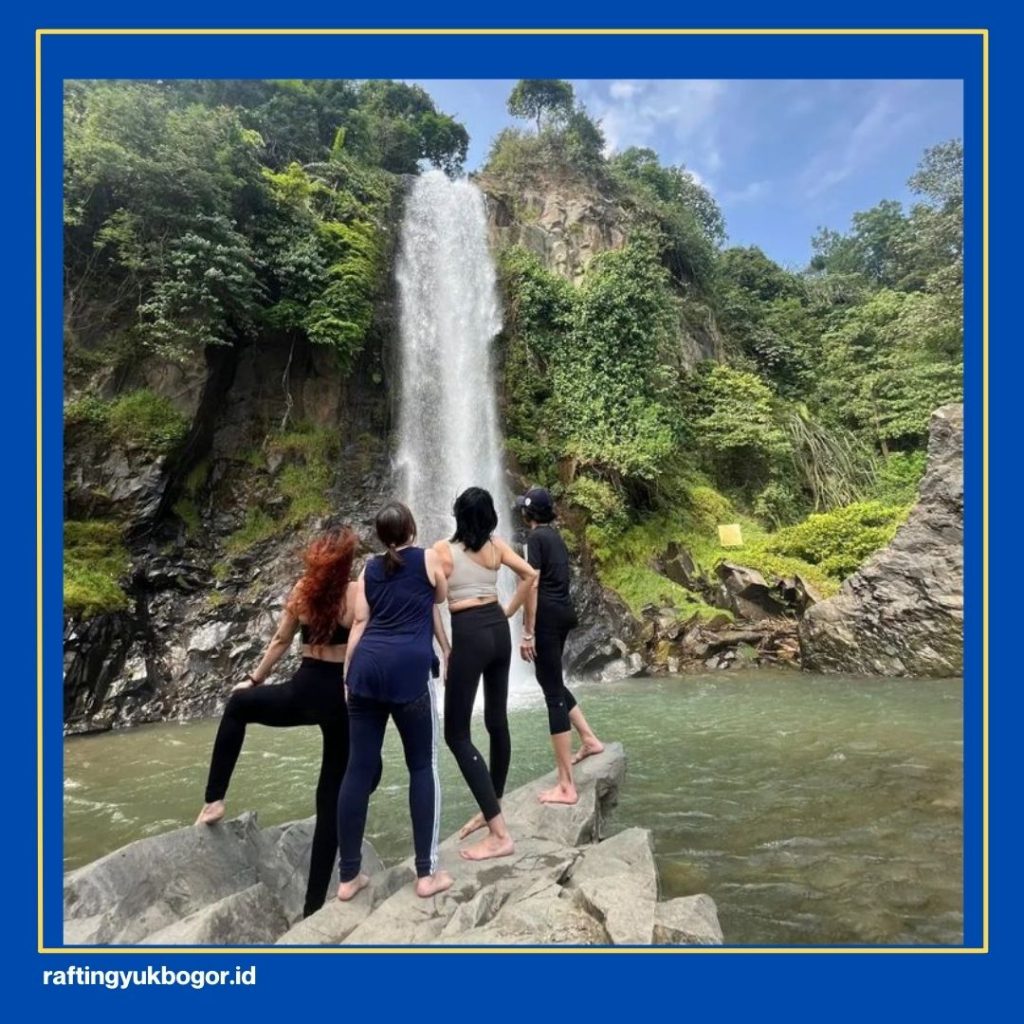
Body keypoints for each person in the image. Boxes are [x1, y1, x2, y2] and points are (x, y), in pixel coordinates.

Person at [195, 525, 359, 918]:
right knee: (330, 802)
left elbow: (280, 642)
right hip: (341, 700)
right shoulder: (356, 593)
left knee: (238, 706)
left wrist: (253, 681)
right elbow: (365, 643)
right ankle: (313, 907)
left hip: (302, 693)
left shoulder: (302, 590)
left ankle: (214, 800)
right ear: (347, 559)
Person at [336, 501, 452, 901]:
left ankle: (348, 877)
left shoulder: (369, 568)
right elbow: (440, 596)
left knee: (357, 769)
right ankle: (427, 873)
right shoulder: (430, 558)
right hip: (409, 671)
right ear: (412, 528)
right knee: (423, 766)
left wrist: (347, 672)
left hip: (366, 669)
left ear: (381, 536)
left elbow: (361, 622)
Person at [432, 487, 539, 861]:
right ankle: (493, 805)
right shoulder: (496, 546)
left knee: (456, 734)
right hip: (497, 630)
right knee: (497, 722)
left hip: (470, 633)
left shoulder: (442, 551)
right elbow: (530, 575)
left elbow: (431, 601)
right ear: (489, 515)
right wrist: (510, 613)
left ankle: (497, 830)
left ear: (459, 515)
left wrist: (445, 649)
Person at [516, 486, 604, 805]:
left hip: (549, 616)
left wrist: (528, 632)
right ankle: (590, 739)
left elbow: (532, 583)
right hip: (564, 611)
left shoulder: (535, 539)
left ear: (528, 514)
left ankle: (566, 784)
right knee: (550, 680)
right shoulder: (554, 536)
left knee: (552, 693)